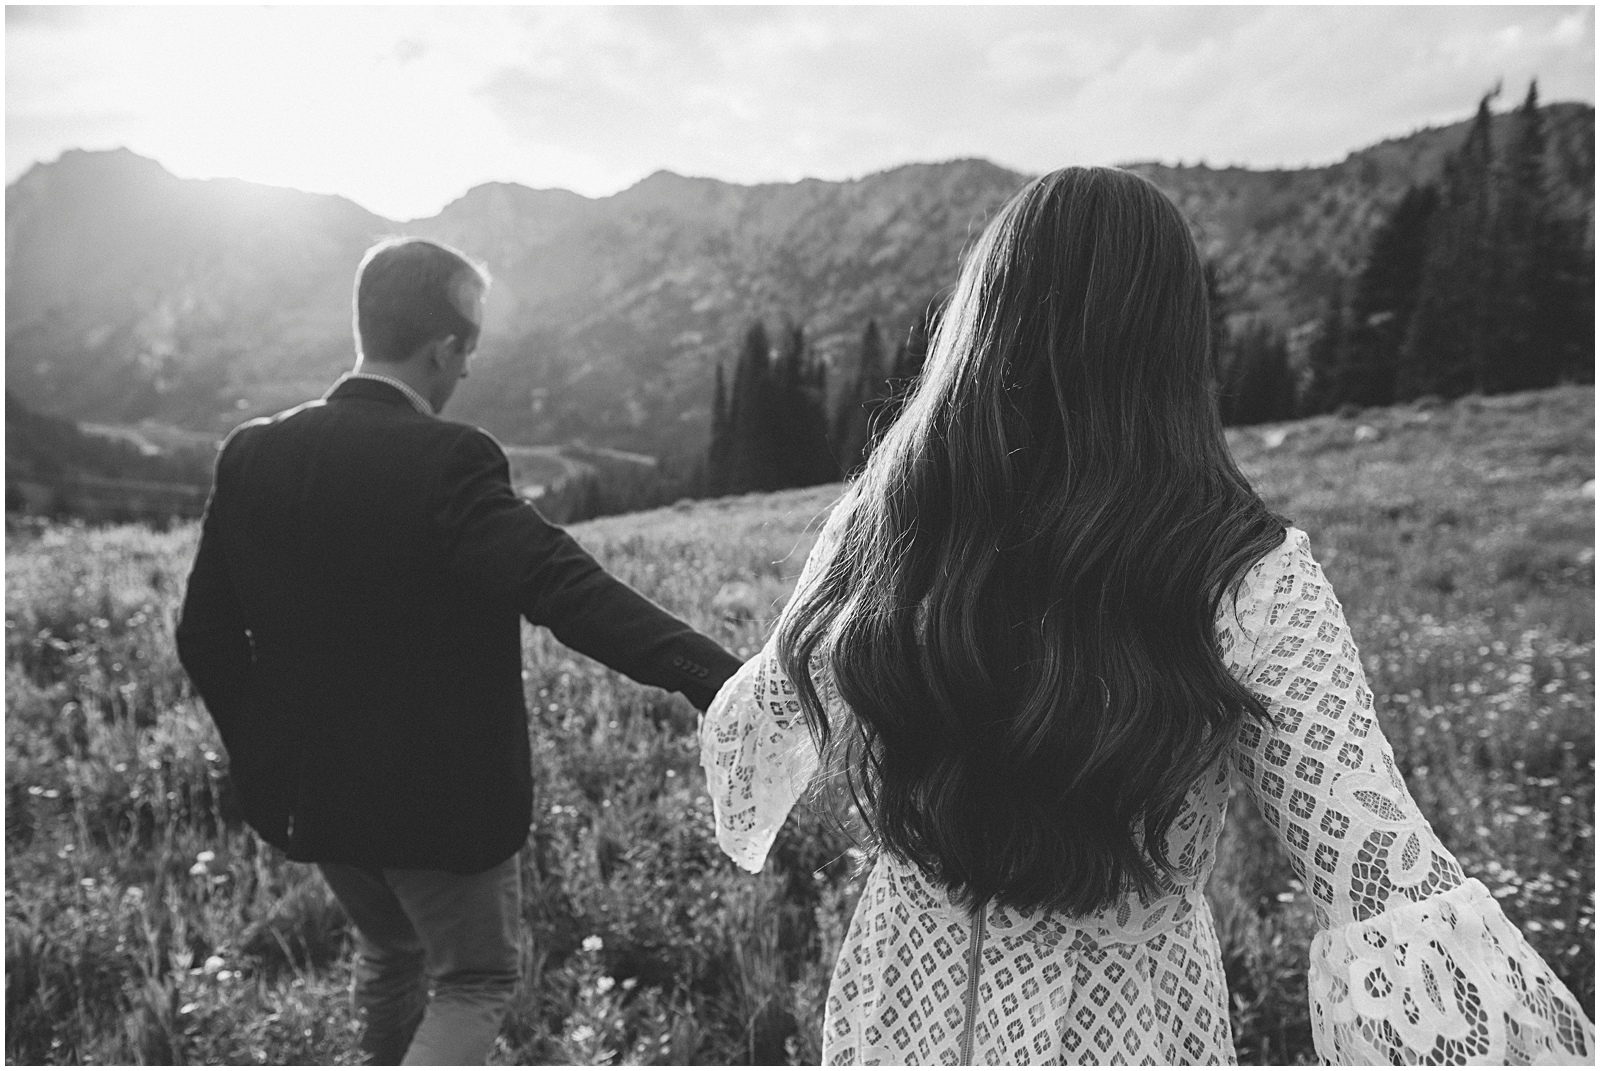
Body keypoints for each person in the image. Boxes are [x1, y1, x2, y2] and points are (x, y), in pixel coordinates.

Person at [700, 167, 1594, 1065]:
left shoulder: (889, 516)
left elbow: (762, 710)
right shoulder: (1245, 576)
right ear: (1173, 347)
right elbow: (1382, 885)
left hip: (904, 996)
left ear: (982, 323)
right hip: (1128, 1019)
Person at [177, 236, 741, 1065]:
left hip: (309, 800)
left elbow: (203, 635)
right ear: (442, 347)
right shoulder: (449, 460)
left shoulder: (254, 450)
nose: (467, 370)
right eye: (467, 349)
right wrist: (716, 676)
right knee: (474, 981)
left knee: (391, 950)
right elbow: (563, 586)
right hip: (435, 812)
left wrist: (266, 748)